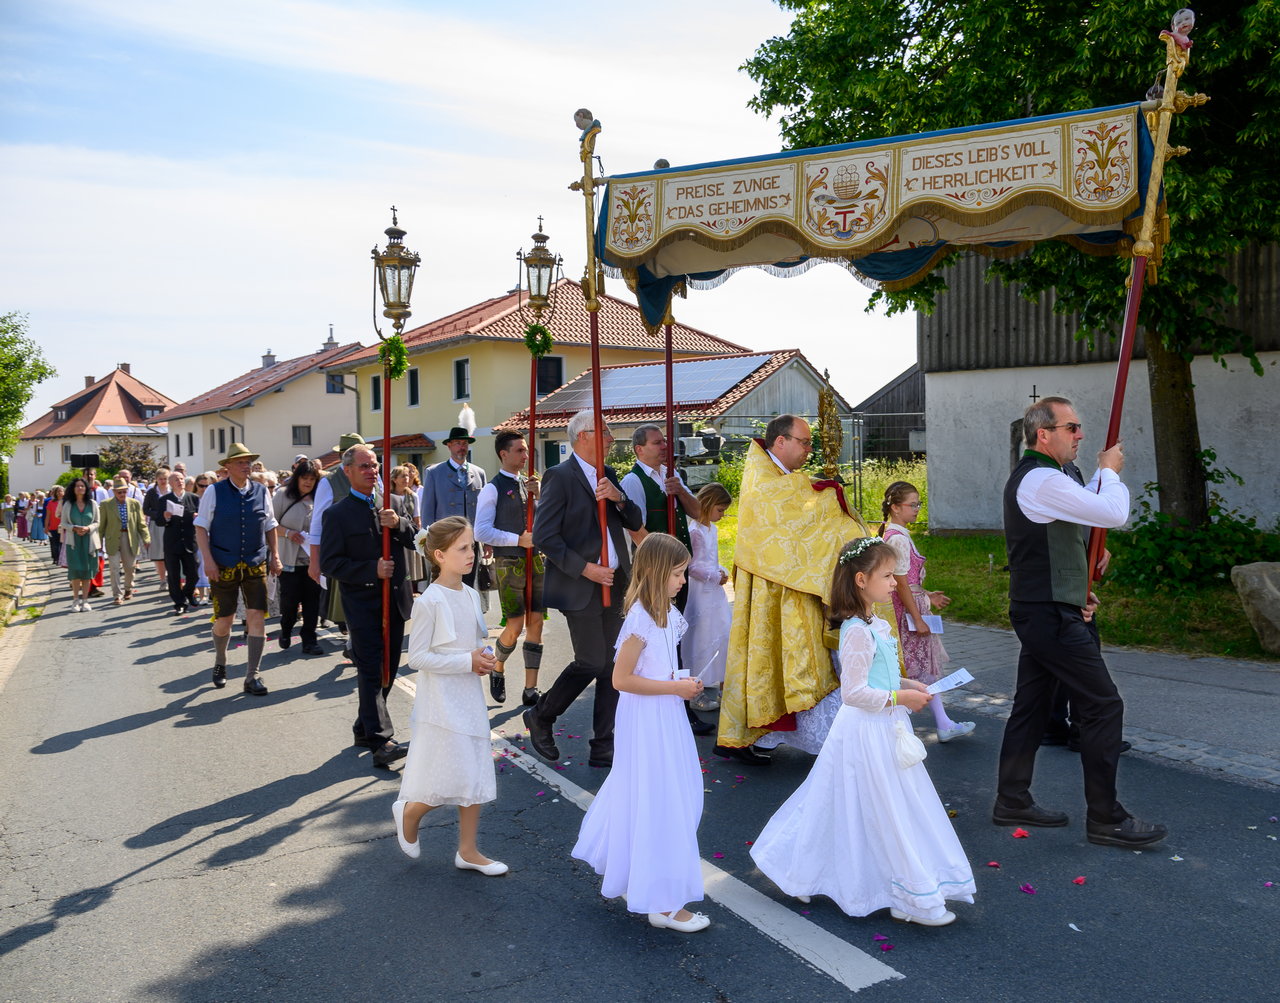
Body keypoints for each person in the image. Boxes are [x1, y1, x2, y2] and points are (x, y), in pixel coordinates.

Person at [751, 537, 976, 926]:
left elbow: (878, 673)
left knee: (840, 803)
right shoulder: (856, 629)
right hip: (866, 731)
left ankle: (797, 870)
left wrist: (910, 683)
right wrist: (900, 697)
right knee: (883, 807)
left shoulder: (876, 623)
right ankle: (909, 896)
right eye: (887, 575)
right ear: (860, 579)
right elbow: (854, 692)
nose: (895, 582)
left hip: (885, 725)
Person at [995, 396, 1166, 847]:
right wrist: (1109, 470)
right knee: (1103, 705)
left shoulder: (1051, 478)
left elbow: (1078, 522)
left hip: (1049, 608)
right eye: (1071, 427)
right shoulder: (1040, 479)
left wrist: (1083, 573)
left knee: (1031, 708)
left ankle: (1011, 799)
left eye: (1079, 427)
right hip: (1048, 614)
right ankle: (1106, 818)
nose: (1081, 435)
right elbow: (1111, 511)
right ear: (1043, 434)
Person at [572, 533, 710, 933]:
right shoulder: (641, 619)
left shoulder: (667, 612)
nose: (683, 581)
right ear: (657, 572)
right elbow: (620, 679)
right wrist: (674, 687)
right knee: (663, 799)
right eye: (678, 574)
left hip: (665, 713)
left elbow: (659, 666)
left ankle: (647, 882)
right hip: (649, 719)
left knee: (667, 795)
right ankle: (664, 902)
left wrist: (681, 682)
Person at [717, 414, 873, 764]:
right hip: (773, 591)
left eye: (810, 443)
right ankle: (764, 736)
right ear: (780, 441)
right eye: (804, 442)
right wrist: (827, 497)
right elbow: (789, 522)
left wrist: (824, 493)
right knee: (776, 663)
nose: (809, 449)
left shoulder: (781, 478)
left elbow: (801, 514)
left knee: (790, 665)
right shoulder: (763, 481)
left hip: (793, 587)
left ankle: (771, 737)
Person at [524, 410, 644, 768]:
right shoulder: (559, 477)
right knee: (592, 660)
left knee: (612, 666)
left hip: (617, 581)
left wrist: (618, 498)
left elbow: (635, 521)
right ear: (583, 437)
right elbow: (545, 536)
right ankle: (542, 714)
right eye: (604, 433)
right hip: (581, 584)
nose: (610, 439)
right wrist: (586, 568)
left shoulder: (608, 474)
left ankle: (603, 745)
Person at [391, 516, 506, 874]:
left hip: (469, 695)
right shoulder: (429, 601)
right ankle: (409, 811)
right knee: (446, 774)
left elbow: (471, 645)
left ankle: (468, 851)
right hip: (441, 702)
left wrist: (483, 658)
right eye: (463, 548)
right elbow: (418, 658)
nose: (471, 553)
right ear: (439, 555)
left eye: (471, 546)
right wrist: (466, 661)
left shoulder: (471, 595)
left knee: (473, 772)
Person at [319, 443, 415, 768]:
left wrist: (398, 524)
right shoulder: (336, 514)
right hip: (362, 603)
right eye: (363, 466)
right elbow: (330, 564)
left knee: (388, 669)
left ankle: (364, 727)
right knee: (372, 668)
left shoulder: (393, 505)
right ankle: (381, 740)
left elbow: (416, 538)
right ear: (347, 472)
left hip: (395, 600)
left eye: (374, 465)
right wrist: (369, 570)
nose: (371, 471)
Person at [619, 423, 712, 737]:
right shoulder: (633, 481)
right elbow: (635, 529)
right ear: (639, 449)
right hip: (658, 571)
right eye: (657, 443)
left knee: (676, 637)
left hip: (677, 571)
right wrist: (662, 563)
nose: (664, 447)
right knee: (658, 640)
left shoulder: (674, 477)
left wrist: (680, 491)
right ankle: (671, 701)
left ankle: (680, 701)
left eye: (665, 442)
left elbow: (700, 513)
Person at [881, 481, 975, 744]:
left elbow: (907, 580)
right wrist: (919, 617)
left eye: (919, 504)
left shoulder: (896, 533)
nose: (917, 509)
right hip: (907, 614)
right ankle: (906, 729)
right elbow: (900, 583)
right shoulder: (897, 537)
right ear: (896, 507)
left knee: (919, 671)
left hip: (912, 605)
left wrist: (927, 594)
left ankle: (942, 723)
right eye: (913, 505)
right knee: (916, 670)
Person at [195, 443, 281, 697]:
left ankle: (252, 675)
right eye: (241, 462)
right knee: (225, 621)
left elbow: (270, 524)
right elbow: (201, 527)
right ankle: (221, 660)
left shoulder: (261, 490)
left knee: (256, 617)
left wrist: (274, 555)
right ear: (228, 467)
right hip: (223, 564)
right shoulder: (214, 491)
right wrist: (208, 560)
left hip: (255, 562)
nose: (246, 466)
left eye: (248, 462)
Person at [473, 430, 545, 706]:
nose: (526, 456)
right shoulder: (492, 488)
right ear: (504, 454)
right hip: (509, 562)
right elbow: (481, 531)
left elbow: (543, 520)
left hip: (536, 560)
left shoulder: (530, 484)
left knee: (536, 622)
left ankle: (530, 688)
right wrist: (517, 539)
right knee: (515, 625)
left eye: (526, 450)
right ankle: (498, 666)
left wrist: (538, 498)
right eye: (520, 450)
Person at [308, 432, 367, 660]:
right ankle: (354, 643)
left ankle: (359, 644)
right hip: (344, 552)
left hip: (369, 548)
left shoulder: (374, 476)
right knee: (349, 601)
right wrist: (315, 561)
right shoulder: (329, 480)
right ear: (345, 458)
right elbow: (317, 523)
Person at [682, 482, 733, 713]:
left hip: (714, 592)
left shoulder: (712, 529)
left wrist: (720, 570)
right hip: (700, 592)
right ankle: (696, 692)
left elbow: (711, 559)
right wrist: (714, 576)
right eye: (720, 510)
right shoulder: (695, 531)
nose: (722, 515)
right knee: (701, 637)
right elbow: (692, 566)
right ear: (709, 504)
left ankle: (722, 683)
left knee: (722, 633)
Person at [421, 426, 487, 589]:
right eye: (458, 443)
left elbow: (485, 511)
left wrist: (487, 542)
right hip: (446, 542)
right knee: (446, 585)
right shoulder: (435, 472)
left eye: (465, 443)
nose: (462, 447)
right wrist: (429, 541)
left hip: (471, 542)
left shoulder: (479, 473)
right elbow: (427, 510)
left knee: (470, 585)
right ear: (449, 446)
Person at [274, 458, 324, 654]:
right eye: (304, 478)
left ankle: (309, 640)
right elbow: (270, 524)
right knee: (290, 601)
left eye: (312, 478)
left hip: (312, 559)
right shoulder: (282, 495)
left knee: (312, 601)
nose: (308, 482)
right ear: (297, 478)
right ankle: (286, 629)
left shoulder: (319, 498)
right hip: (289, 559)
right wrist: (287, 533)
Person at [99, 478, 150, 606]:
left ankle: (128, 588)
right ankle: (117, 595)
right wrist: (98, 542)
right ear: (114, 492)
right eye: (119, 492)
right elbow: (101, 526)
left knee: (130, 567)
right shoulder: (106, 504)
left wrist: (146, 538)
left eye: (124, 491)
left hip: (130, 538)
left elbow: (141, 523)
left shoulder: (134, 504)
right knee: (114, 568)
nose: (122, 494)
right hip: (113, 538)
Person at [160, 471, 200, 614]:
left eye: (182, 479)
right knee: (173, 574)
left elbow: (202, 518)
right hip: (172, 543)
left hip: (190, 541)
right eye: (176, 479)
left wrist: (197, 517)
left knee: (194, 573)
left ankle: (188, 592)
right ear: (170, 483)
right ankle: (179, 603)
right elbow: (159, 521)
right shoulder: (164, 500)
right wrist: (166, 518)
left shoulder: (194, 498)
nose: (180, 481)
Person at [59, 477, 100, 612]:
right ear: (73, 489)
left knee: (87, 571)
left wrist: (88, 528)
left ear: (86, 488)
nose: (80, 488)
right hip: (73, 542)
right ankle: (75, 600)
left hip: (89, 541)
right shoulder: (68, 504)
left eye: (82, 486)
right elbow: (63, 523)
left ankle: (85, 600)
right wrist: (74, 528)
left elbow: (97, 522)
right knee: (76, 571)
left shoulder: (93, 504)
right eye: (77, 486)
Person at [141, 467, 171, 590]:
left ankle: (172, 577)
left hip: (171, 524)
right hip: (157, 525)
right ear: (156, 480)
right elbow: (145, 509)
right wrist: (158, 514)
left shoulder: (172, 491)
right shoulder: (152, 493)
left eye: (165, 479)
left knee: (170, 553)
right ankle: (163, 579)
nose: (163, 481)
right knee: (159, 554)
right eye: (160, 479)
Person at [45, 486, 64, 565]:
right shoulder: (51, 502)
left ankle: (61, 558)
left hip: (63, 526)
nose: (60, 493)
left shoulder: (67, 502)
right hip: (53, 526)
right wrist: (46, 527)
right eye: (58, 491)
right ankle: (56, 558)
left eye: (61, 491)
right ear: (55, 493)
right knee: (54, 544)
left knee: (62, 544)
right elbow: (48, 516)